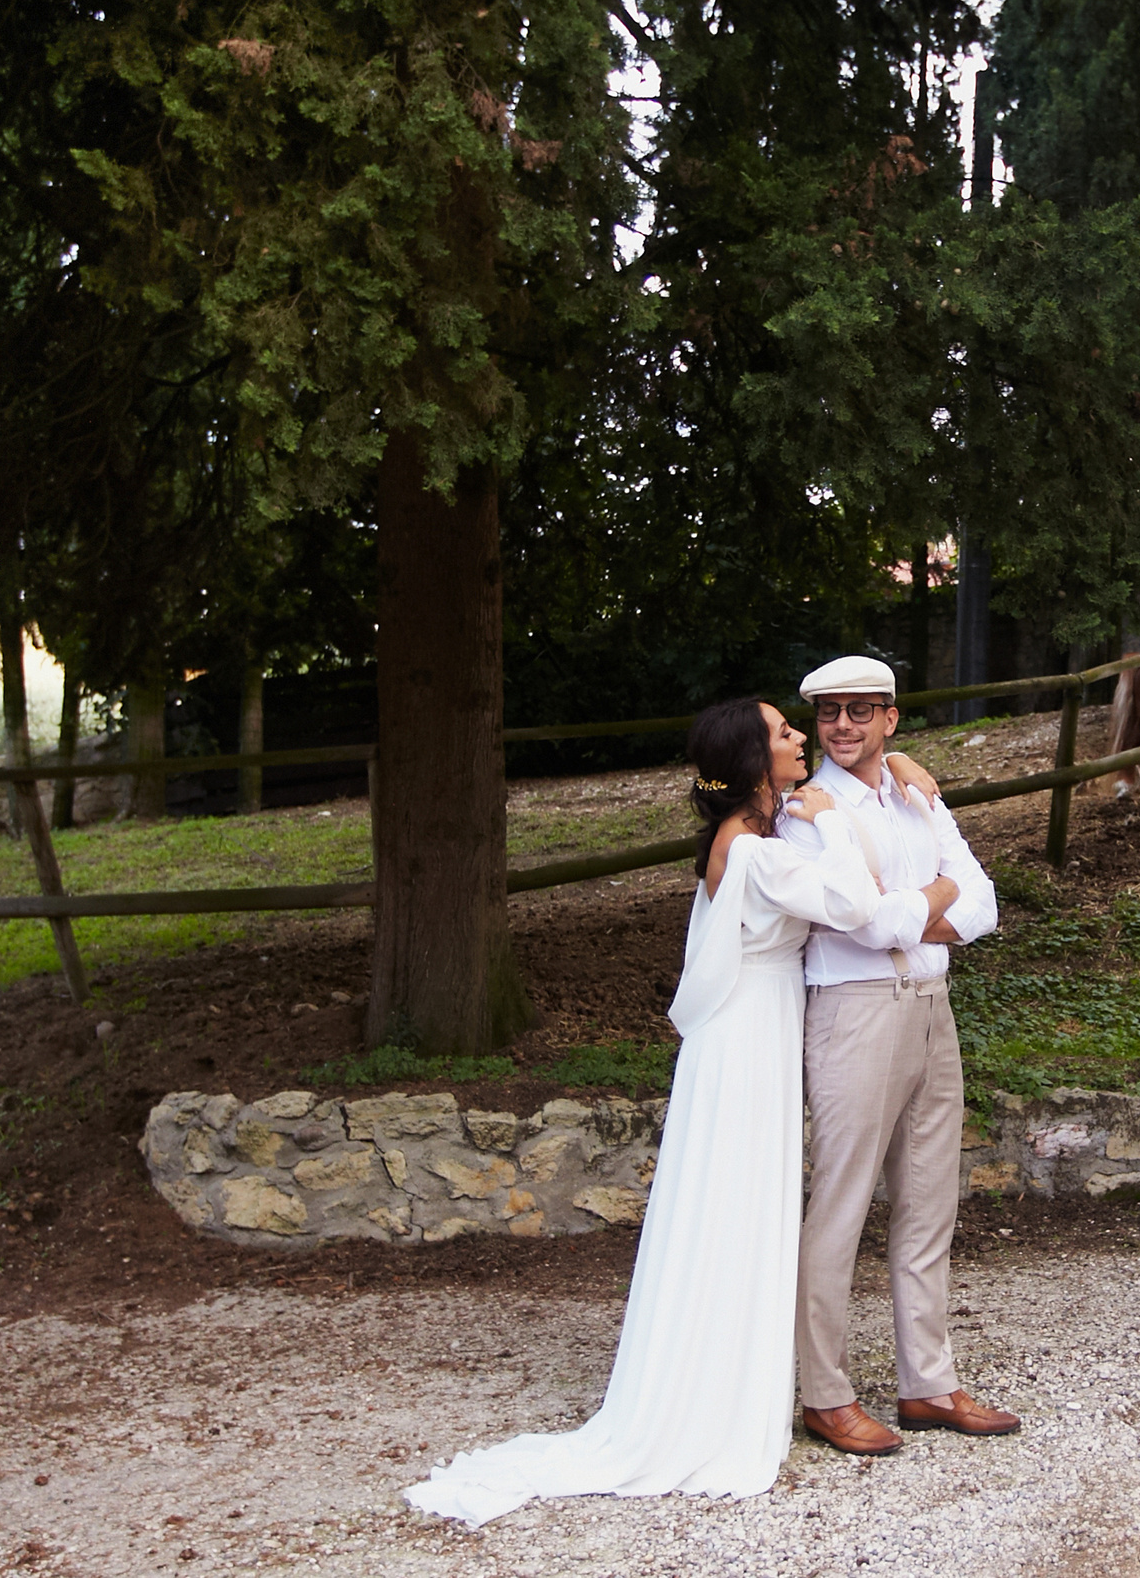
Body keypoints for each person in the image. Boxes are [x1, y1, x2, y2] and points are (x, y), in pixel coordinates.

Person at [404, 698, 955, 1527]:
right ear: (748, 760)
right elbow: (853, 902)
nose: (802, 736)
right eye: (783, 731)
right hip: (747, 1045)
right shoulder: (760, 854)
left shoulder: (747, 841)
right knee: (736, 1208)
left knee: (739, 1210)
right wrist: (852, 828)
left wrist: (887, 783)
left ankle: (737, 1377)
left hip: (750, 1030)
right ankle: (715, 1403)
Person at [779, 654, 1020, 1456]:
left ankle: (928, 1381)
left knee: (929, 1201)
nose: (841, 726)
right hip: (853, 1013)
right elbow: (868, 926)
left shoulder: (919, 796)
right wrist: (936, 900)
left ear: (891, 718)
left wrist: (921, 908)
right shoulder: (806, 811)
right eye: (827, 714)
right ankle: (827, 1393)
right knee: (841, 1204)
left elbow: (982, 900)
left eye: (858, 711)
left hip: (930, 1008)